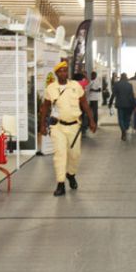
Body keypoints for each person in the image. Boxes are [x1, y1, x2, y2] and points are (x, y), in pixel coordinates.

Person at [39, 61, 97, 196]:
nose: (63, 73)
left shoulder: (75, 86)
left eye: (65, 70)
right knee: (60, 155)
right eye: (60, 71)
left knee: (74, 155)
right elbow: (45, 107)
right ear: (56, 74)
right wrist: (42, 125)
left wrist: (92, 120)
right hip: (57, 127)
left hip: (74, 127)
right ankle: (60, 183)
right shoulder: (51, 88)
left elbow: (85, 104)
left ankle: (71, 174)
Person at [109, 73, 136, 141]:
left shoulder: (117, 84)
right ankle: (125, 129)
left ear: (121, 77)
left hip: (120, 104)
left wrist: (110, 102)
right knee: (127, 118)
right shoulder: (129, 85)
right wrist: (134, 105)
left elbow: (113, 94)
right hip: (128, 104)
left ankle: (123, 130)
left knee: (121, 119)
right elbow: (132, 96)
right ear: (126, 77)